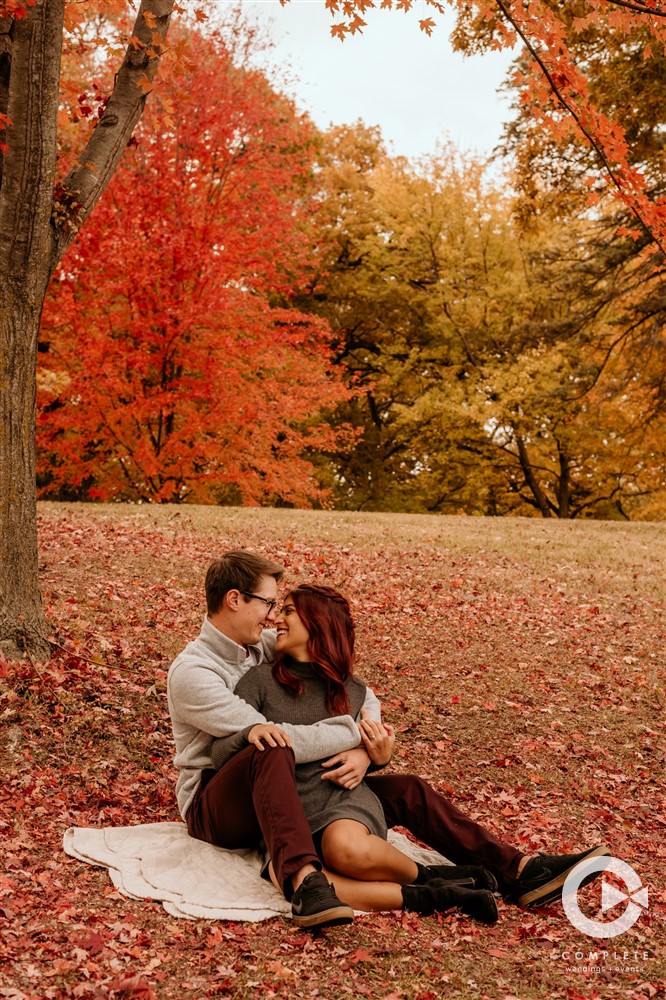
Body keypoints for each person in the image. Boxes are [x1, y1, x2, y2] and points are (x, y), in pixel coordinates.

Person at [167, 550, 609, 929]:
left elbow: (355, 689)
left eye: (279, 609)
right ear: (233, 600)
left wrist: (367, 750)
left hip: (294, 782)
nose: (272, 616)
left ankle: (520, 871)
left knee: (407, 789)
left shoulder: (264, 644)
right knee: (272, 746)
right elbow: (271, 740)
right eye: (267, 603)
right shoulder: (195, 672)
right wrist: (351, 732)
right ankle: (306, 882)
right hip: (218, 801)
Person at [211, 584, 501, 926]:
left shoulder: (353, 690)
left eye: (289, 611)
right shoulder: (259, 681)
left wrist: (370, 754)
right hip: (284, 808)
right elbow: (220, 751)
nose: (278, 619)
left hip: (341, 799)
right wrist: (250, 734)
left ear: (318, 624)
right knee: (300, 881)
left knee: (345, 848)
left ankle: (423, 874)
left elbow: (377, 744)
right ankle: (433, 892)